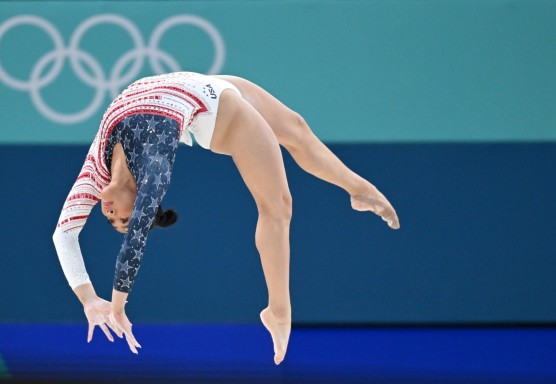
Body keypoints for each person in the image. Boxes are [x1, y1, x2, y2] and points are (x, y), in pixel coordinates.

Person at [53, 72, 399, 365]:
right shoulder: (154, 168)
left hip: (201, 85)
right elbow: (119, 238)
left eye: (113, 220)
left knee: (296, 127)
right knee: (278, 206)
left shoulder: (94, 173)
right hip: (219, 114)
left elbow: (64, 234)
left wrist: (109, 305)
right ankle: (278, 310)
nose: (112, 216)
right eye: (122, 221)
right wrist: (94, 300)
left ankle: (358, 189)